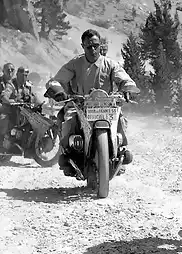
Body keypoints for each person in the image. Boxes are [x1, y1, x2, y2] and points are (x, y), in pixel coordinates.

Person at [46, 28, 139, 176]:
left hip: (106, 106)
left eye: (96, 45)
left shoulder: (110, 64)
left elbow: (125, 79)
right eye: (89, 46)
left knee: (121, 120)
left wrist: (127, 89)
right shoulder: (75, 64)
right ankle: (69, 155)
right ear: (83, 46)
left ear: (100, 45)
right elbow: (56, 80)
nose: (93, 49)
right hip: (80, 106)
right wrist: (58, 91)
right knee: (68, 120)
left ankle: (119, 151)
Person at [0, 63, 16, 148]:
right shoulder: (1, 82)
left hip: (12, 107)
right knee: (3, 118)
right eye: (8, 70)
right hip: (3, 106)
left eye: (12, 70)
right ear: (3, 71)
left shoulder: (14, 83)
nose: (10, 72)